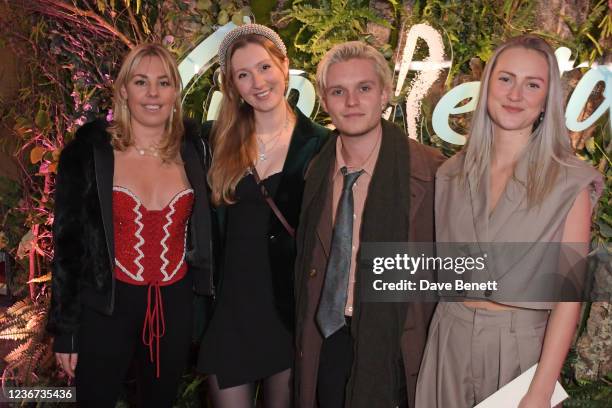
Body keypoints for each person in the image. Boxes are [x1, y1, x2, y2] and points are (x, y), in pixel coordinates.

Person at [415, 35, 604, 408]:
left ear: (546, 100)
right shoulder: (449, 174)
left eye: (531, 84)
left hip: (521, 350)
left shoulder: (570, 182)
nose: (515, 94)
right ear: (487, 86)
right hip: (448, 340)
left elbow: (569, 299)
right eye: (506, 79)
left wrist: (541, 389)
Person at [46, 43, 213, 407]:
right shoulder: (89, 153)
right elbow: (68, 247)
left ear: (175, 91)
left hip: (174, 304)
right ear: (123, 90)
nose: (153, 94)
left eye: (164, 82)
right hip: (106, 304)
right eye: (141, 82)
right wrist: (66, 332)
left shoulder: (195, 151)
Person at [294, 41, 445, 408]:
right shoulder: (316, 170)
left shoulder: (434, 172)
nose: (351, 101)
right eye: (338, 91)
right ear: (325, 102)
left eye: (364, 88)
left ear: (385, 94)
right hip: (329, 336)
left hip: (397, 342)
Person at [197, 24, 328, 408]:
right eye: (243, 74)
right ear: (232, 86)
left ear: (284, 66)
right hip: (231, 308)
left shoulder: (321, 144)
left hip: (287, 312)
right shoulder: (213, 141)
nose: (257, 82)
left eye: (264, 67)